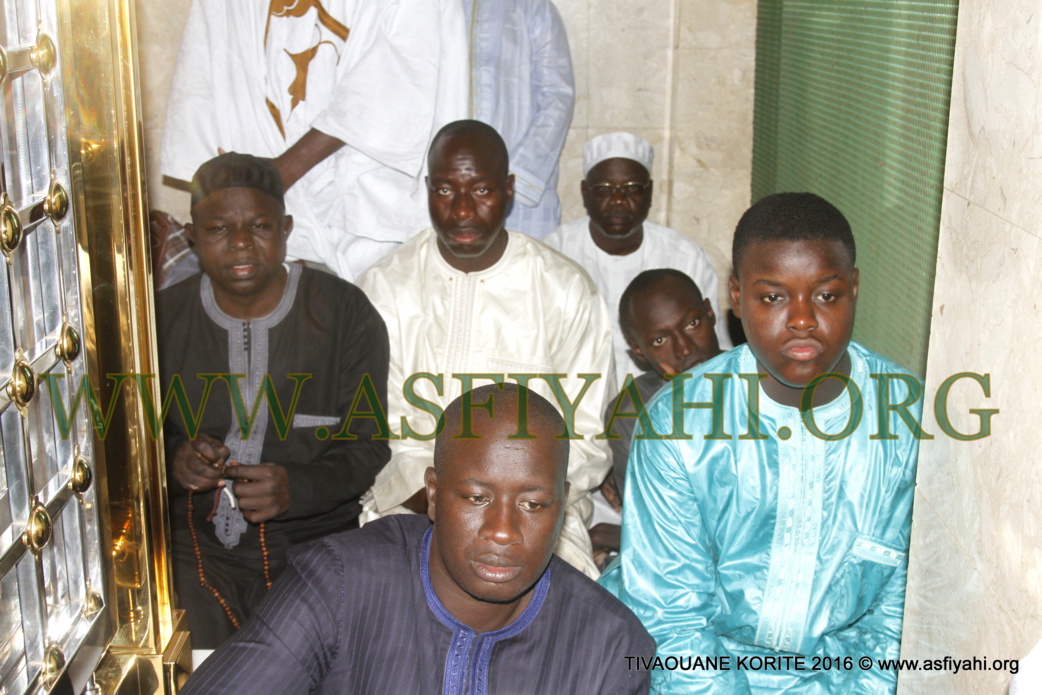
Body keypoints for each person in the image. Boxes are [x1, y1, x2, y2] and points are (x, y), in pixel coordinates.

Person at [606, 193, 923, 693]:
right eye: (773, 297)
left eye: (826, 295)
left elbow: (897, 617)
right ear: (736, 297)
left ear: (855, 288)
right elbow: (672, 620)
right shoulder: (676, 426)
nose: (801, 319)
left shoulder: (906, 421)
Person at [182, 384, 656, 694]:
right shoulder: (342, 584)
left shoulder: (609, 644)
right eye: (474, 498)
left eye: (533, 504)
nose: (504, 530)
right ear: (432, 494)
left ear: (563, 504)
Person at [357, 120, 614, 579]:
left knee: (568, 630)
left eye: (480, 190)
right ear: (428, 190)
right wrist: (450, 506)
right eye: (444, 190)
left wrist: (511, 507)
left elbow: (585, 437)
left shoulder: (563, 289)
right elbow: (381, 435)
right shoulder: (384, 289)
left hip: (537, 517)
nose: (461, 211)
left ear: (509, 190)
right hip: (412, 508)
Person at [158, 153, 390, 648]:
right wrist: (173, 460)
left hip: (313, 544)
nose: (241, 243)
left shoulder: (345, 314)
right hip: (191, 551)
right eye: (219, 228)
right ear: (194, 234)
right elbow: (125, 442)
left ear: (285, 229)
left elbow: (367, 447)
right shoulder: (159, 321)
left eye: (259, 225)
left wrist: (296, 489)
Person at [160, 0, 467, 281]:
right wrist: (235, 185)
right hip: (259, 219)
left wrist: (281, 173)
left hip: (362, 215)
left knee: (366, 318)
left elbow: (391, 89)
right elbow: (206, 77)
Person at [543, 132, 732, 383]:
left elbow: (712, 346)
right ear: (585, 193)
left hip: (667, 397)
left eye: (632, 188)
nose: (619, 200)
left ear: (650, 192)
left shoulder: (684, 255)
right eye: (604, 189)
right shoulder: (555, 253)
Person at [590, 269, 723, 568]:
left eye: (692, 324)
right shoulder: (631, 413)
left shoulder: (762, 380)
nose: (685, 348)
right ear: (638, 351)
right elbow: (654, 526)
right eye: (660, 340)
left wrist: (612, 536)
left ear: (710, 312)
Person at [464, 0, 575, 239]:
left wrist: (516, 179)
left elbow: (557, 95)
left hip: (518, 194)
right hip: (449, 188)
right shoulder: (429, 7)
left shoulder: (532, 6)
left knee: (524, 270)